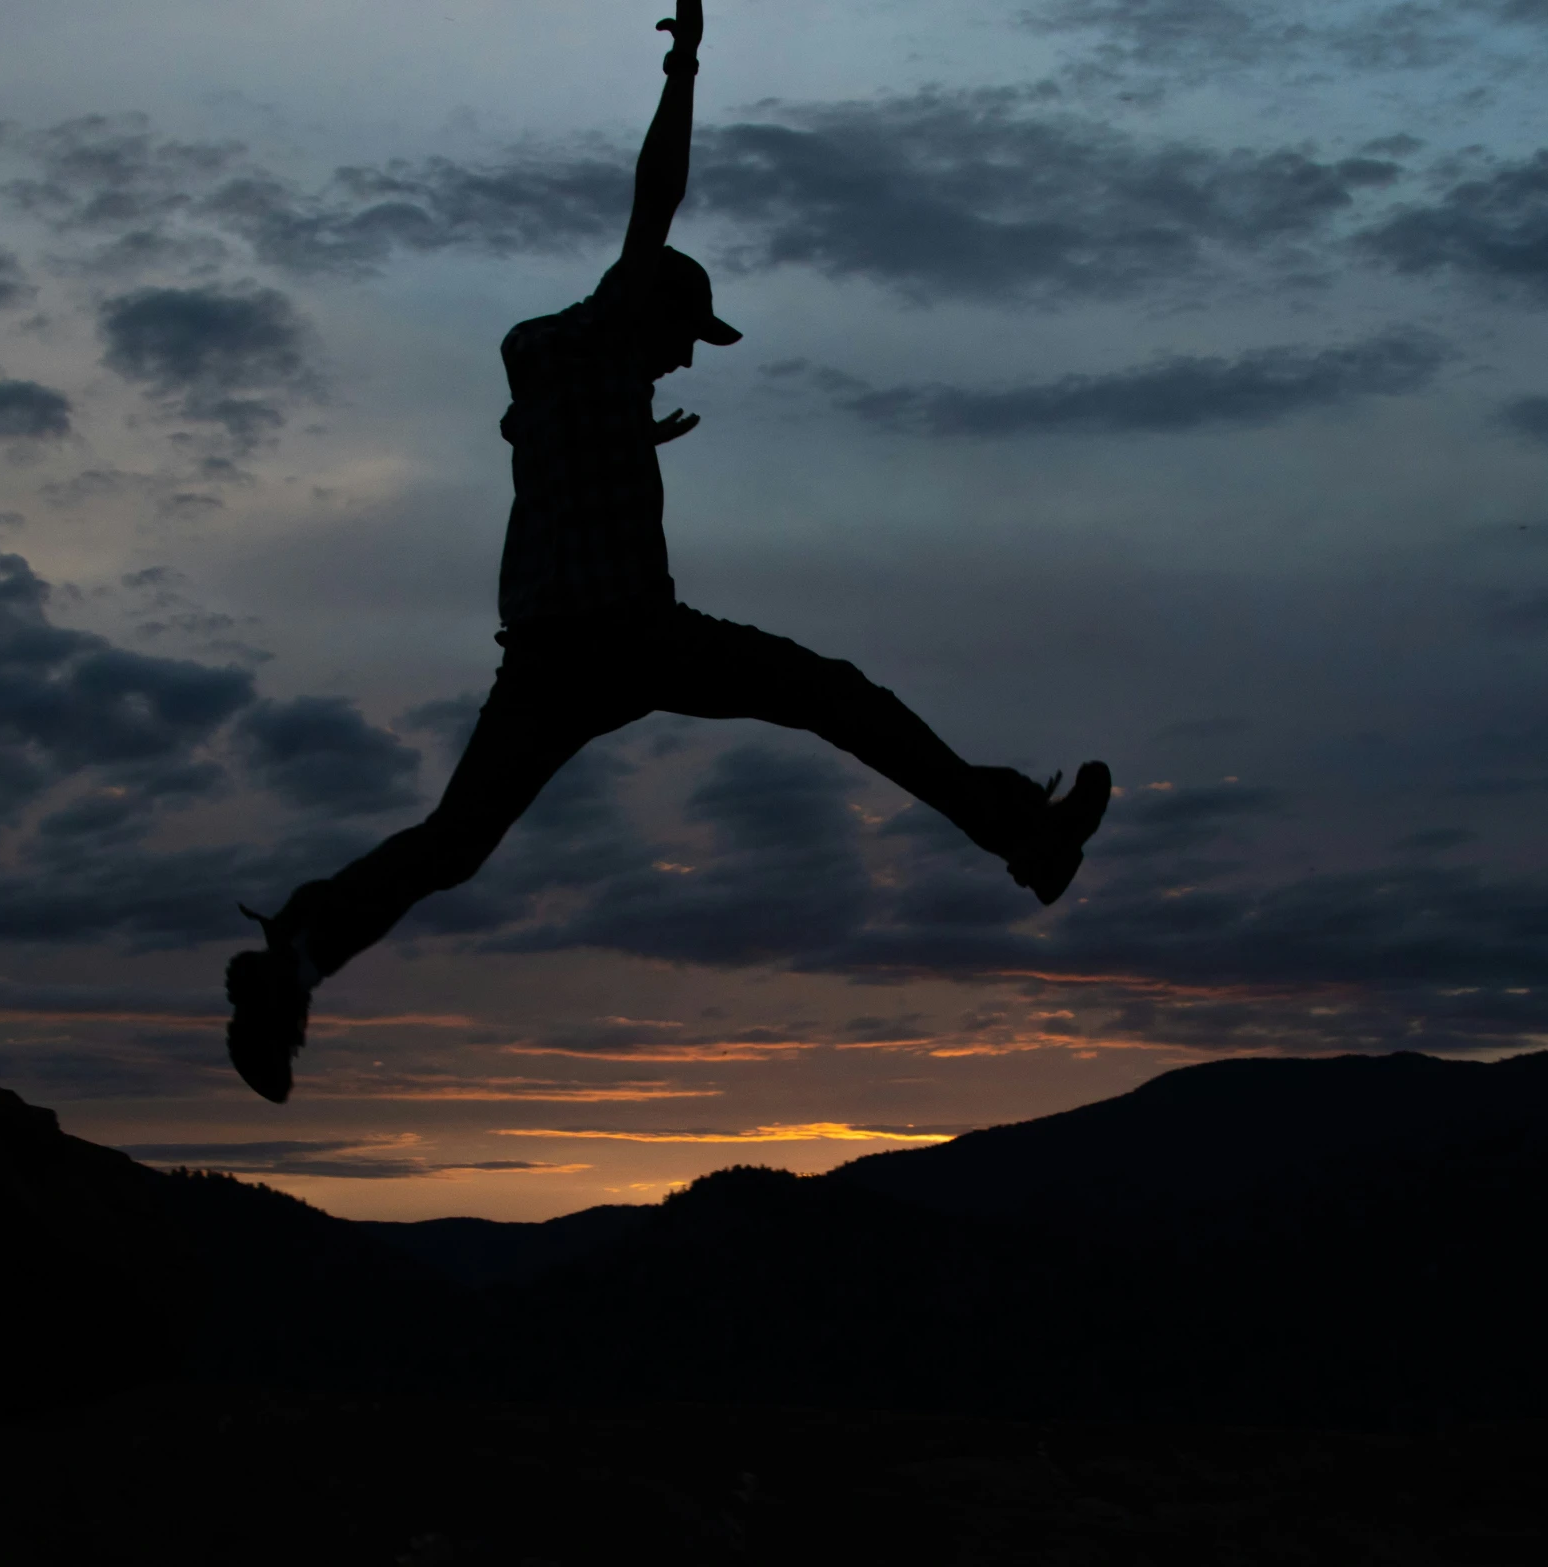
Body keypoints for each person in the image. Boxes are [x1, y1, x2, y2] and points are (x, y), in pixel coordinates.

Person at [224, 0, 1110, 1102]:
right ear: (642, 309)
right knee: (832, 693)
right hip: (631, 635)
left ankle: (297, 960)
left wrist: (627, 431)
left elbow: (548, 433)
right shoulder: (596, 340)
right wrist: (685, 66)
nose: (688, 360)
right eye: (685, 337)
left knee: (453, 841)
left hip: (543, 659)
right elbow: (658, 195)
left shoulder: (558, 376)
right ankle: (1022, 837)